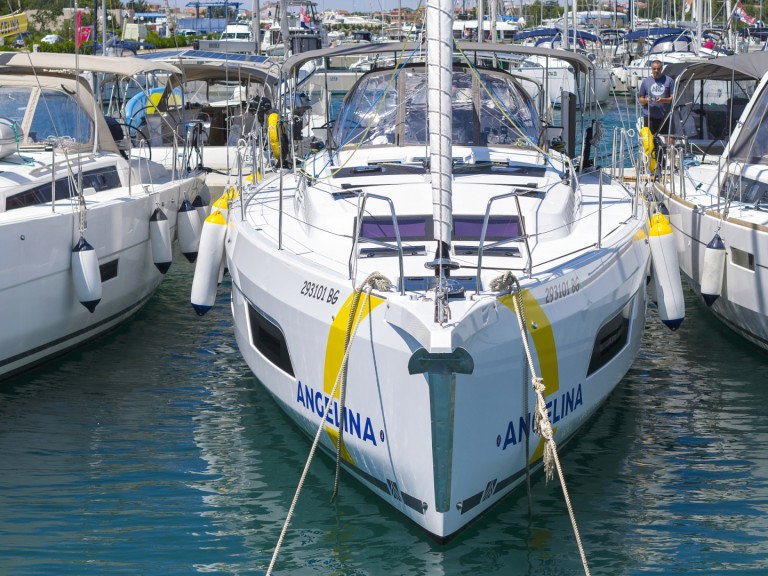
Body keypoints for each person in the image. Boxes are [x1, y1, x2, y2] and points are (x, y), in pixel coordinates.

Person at [638, 60, 674, 136]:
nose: (656, 71)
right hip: (649, 117)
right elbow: (640, 99)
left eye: (658, 69)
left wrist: (663, 100)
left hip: (664, 116)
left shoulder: (669, 81)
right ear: (651, 69)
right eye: (654, 68)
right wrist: (646, 100)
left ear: (661, 69)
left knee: (666, 139)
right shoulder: (646, 81)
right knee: (650, 141)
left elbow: (673, 98)